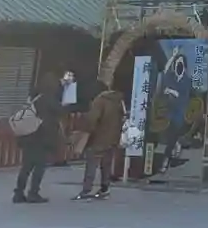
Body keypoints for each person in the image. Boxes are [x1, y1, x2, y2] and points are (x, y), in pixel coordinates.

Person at [13, 73, 66, 204]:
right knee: (39, 166)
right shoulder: (49, 99)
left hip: (29, 136)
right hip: (42, 138)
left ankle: (18, 193)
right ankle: (33, 193)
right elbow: (62, 111)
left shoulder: (34, 97)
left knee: (26, 167)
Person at [76, 80, 126, 200]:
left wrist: (85, 131)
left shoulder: (100, 101)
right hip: (113, 137)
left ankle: (87, 190)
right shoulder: (118, 101)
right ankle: (104, 189)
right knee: (106, 164)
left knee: (92, 163)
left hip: (99, 137)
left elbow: (92, 120)